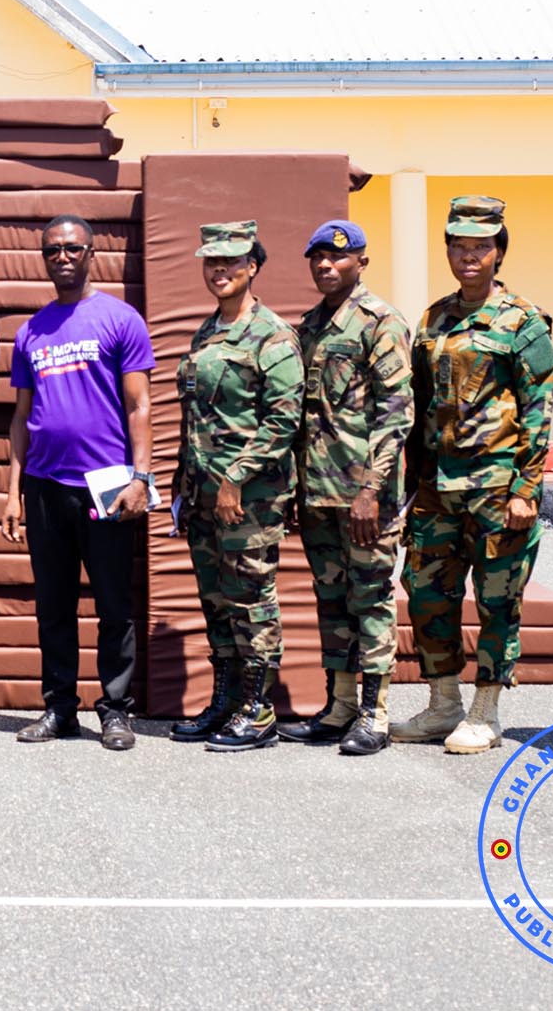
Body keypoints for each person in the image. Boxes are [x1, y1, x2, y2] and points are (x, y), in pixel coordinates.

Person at [392, 196, 553, 755]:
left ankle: (486, 711)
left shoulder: (523, 321)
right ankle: (443, 704)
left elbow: (539, 409)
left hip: (496, 488)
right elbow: (418, 404)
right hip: (437, 488)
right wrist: (410, 483)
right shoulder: (433, 318)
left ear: (499, 253)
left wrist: (526, 489)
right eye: (459, 246)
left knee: (497, 601)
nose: (469, 256)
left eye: (481, 247)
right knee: (426, 594)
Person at [0, 215, 154, 750]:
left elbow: (139, 405)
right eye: (52, 250)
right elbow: (21, 417)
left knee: (113, 604)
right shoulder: (32, 331)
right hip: (45, 484)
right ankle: (60, 708)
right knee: (54, 605)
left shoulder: (120, 319)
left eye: (72, 247)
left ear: (92, 253)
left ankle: (115, 711)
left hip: (107, 484)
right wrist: (14, 492)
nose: (62, 257)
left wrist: (140, 477)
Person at [281, 219, 413, 757]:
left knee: (372, 599)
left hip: (364, 497)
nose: (325, 265)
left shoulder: (380, 322)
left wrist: (370, 490)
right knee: (331, 600)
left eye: (337, 256)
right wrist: (295, 488)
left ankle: (374, 713)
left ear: (361, 261)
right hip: (318, 493)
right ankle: (339, 705)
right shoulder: (310, 326)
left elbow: (396, 412)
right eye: (317, 257)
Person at [169, 222, 301, 752]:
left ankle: (258, 709)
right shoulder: (208, 332)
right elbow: (195, 420)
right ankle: (225, 701)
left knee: (251, 601)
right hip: (204, 496)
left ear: (253, 266)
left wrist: (235, 478)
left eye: (231, 261)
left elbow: (283, 419)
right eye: (211, 261)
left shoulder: (272, 335)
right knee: (216, 601)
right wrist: (183, 485)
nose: (219, 269)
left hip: (248, 500)